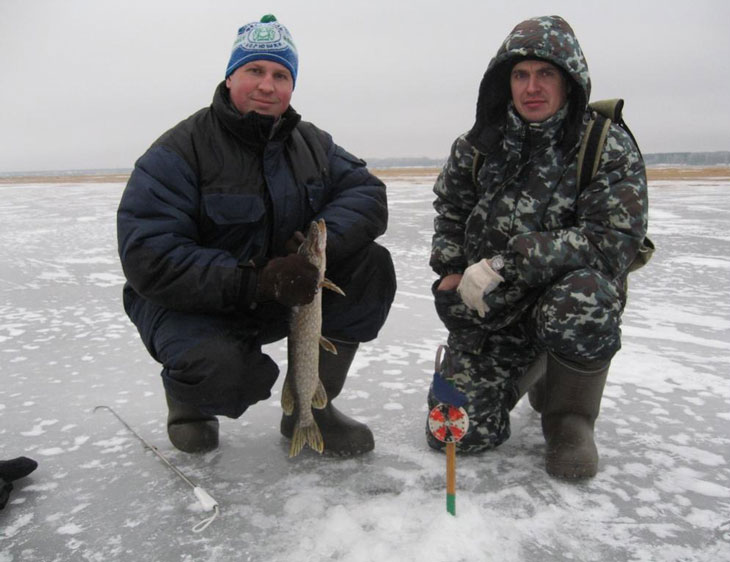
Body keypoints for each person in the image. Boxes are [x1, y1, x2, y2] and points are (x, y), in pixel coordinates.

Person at [117, 14, 396, 456]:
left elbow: (366, 192)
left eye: (281, 75)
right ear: (231, 76)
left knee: (370, 265)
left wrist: (311, 255)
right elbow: (151, 257)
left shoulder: (312, 143)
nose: (268, 85)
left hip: (281, 296)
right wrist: (256, 279)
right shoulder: (177, 151)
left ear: (291, 86)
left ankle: (309, 408)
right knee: (225, 374)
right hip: (190, 306)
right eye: (255, 70)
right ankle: (189, 402)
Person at [426, 15, 648, 478]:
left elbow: (611, 241)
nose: (532, 87)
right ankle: (529, 370)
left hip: (561, 300)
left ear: (568, 82)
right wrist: (449, 270)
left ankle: (570, 418)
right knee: (456, 436)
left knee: (583, 296)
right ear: (504, 82)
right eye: (520, 74)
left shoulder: (605, 145)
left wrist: (509, 261)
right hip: (494, 310)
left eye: (545, 74)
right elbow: (450, 209)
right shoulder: (477, 145)